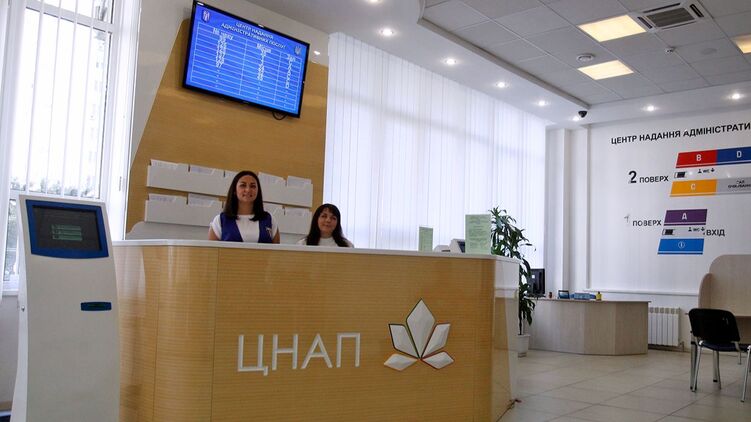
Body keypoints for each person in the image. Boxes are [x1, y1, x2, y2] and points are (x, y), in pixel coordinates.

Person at [209, 170, 280, 243]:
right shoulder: (220, 221)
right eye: (243, 185)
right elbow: (211, 250)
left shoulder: (269, 220)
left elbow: (277, 250)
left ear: (258, 191)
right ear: (234, 190)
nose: (248, 190)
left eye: (253, 186)